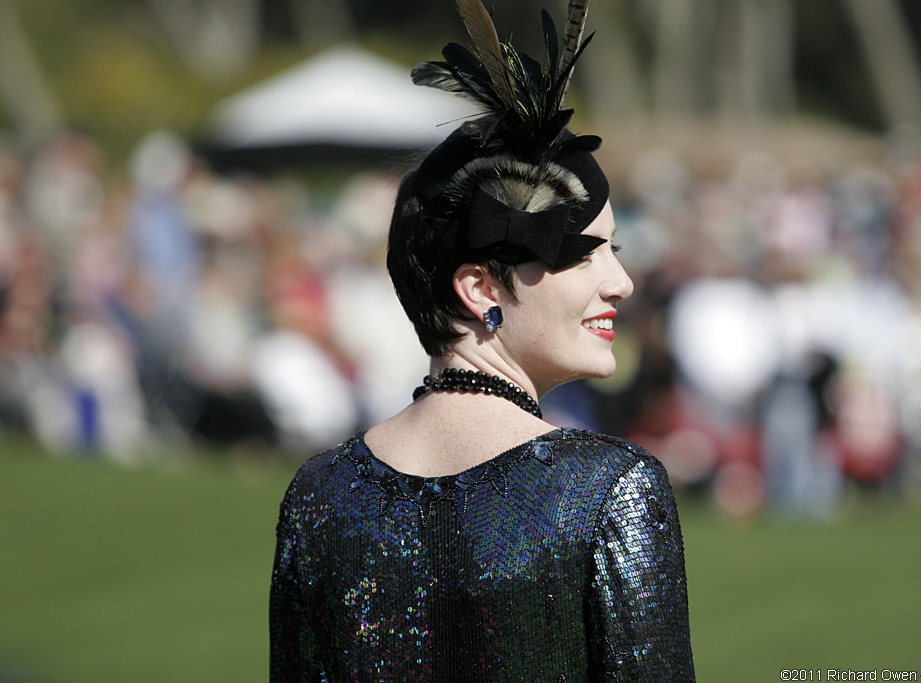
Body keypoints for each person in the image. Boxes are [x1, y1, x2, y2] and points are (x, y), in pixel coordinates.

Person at [269, 1, 695, 680]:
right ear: (481, 287)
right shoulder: (607, 490)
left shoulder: (318, 495)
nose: (622, 283)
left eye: (616, 250)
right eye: (584, 254)